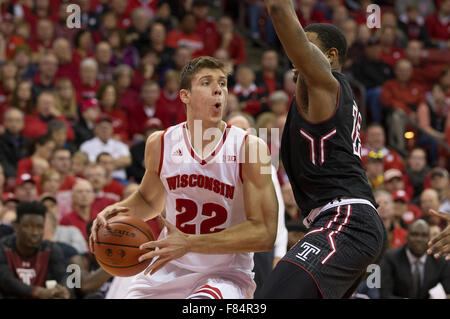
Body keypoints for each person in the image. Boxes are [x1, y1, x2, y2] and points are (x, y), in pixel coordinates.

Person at [90, 56, 278, 299]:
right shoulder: (160, 142)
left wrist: (189, 243)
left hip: (224, 275)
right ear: (185, 95)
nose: (218, 89)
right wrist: (117, 211)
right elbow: (149, 201)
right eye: (207, 82)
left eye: (222, 83)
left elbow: (265, 233)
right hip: (167, 268)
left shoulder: (252, 148)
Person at [258, 0, 386, 299]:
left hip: (346, 218)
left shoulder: (325, 86)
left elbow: (278, 9)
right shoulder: (321, 96)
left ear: (329, 57)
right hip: (342, 219)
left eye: (306, 46)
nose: (295, 55)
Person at [0, 201, 71, 299]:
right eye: (28, 226)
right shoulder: (3, 247)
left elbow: (63, 276)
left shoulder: (51, 249)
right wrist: (37, 292)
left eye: (39, 227)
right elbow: (5, 280)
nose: (35, 233)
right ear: (16, 227)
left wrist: (63, 290)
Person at [380, 219, 450, 299]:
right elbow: (384, 294)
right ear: (406, 237)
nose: (419, 239)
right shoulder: (390, 258)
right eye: (414, 234)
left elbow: (448, 292)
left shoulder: (441, 261)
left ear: (429, 239)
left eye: (424, 235)